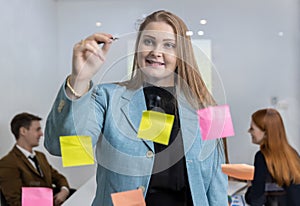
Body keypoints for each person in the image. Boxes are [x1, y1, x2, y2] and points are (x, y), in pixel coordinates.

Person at [44, 10, 228, 205]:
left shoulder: (210, 107)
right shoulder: (105, 97)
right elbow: (61, 148)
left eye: (169, 45)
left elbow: (218, 182)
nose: (156, 51)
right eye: (148, 41)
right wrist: (80, 79)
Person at [0, 113, 71, 206]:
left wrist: (64, 190)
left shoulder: (40, 156)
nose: (41, 134)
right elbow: (15, 202)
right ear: (23, 131)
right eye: (37, 130)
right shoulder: (8, 163)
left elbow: (59, 178)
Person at [245, 108, 300, 206]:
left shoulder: (262, 157)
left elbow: (256, 200)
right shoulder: (293, 155)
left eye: (252, 128)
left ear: (266, 133)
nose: (249, 131)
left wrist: (250, 188)